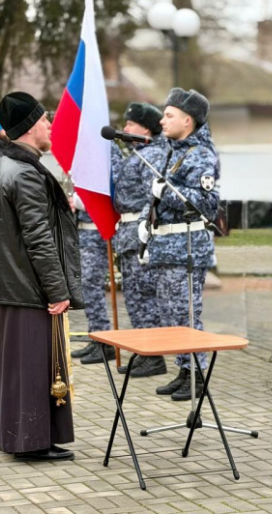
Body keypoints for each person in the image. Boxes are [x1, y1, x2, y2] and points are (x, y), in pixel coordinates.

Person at [0, 91, 83, 461]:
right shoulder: (24, 173)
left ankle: (23, 438)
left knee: (17, 368)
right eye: (44, 119)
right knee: (32, 367)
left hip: (10, 285)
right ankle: (31, 442)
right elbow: (38, 238)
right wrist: (57, 291)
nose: (50, 125)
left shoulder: (3, 166)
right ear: (28, 127)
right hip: (28, 287)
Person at [140, 88, 219, 401]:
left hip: (186, 247)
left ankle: (197, 374)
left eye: (169, 115)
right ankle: (184, 370)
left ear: (188, 120)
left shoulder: (201, 155)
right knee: (172, 314)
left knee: (187, 314)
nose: (162, 120)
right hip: (166, 245)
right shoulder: (173, 150)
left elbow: (207, 204)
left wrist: (165, 192)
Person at [110, 102, 168, 377]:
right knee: (134, 298)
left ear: (145, 128)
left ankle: (153, 355)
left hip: (139, 233)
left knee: (143, 298)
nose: (125, 128)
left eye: (130, 124)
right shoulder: (138, 154)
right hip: (128, 234)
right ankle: (146, 352)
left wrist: (145, 231)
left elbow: (151, 198)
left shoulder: (151, 155)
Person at [70, 195, 115, 365]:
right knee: (87, 288)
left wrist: (79, 200)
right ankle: (96, 336)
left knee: (91, 285)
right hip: (84, 232)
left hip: (96, 232)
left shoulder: (97, 170)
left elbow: (101, 198)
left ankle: (104, 341)